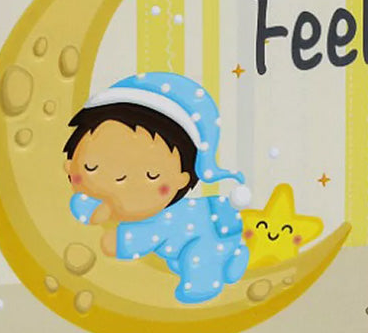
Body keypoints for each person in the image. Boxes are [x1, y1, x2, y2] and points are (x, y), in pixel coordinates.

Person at [63, 73, 249, 304]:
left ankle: (203, 284)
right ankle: (233, 259)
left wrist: (120, 242)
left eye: (151, 175)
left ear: (182, 179)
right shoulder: (94, 193)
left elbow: (145, 237)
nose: (120, 181)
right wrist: (91, 206)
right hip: (210, 224)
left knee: (196, 259)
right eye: (91, 167)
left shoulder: (165, 219)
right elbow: (85, 202)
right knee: (181, 259)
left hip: (203, 237)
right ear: (69, 163)